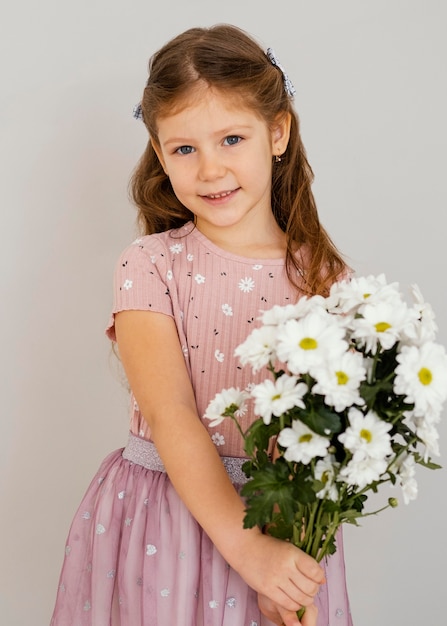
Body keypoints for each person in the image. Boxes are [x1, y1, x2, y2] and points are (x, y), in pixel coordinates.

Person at [50, 24, 353, 626]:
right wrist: (248, 551)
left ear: (277, 132)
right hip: (168, 520)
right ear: (161, 155)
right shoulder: (150, 265)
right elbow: (172, 417)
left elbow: (331, 435)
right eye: (184, 149)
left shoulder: (326, 279)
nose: (210, 170)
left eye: (231, 138)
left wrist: (283, 555)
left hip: (284, 523)